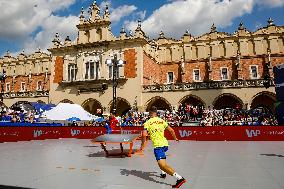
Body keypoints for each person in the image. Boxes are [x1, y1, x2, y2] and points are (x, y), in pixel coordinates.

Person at [140, 106, 186, 188]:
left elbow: (144, 135)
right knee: (160, 160)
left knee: (163, 165)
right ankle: (163, 173)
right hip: (165, 144)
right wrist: (175, 138)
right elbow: (172, 130)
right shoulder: (162, 121)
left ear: (150, 112)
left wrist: (142, 146)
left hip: (158, 146)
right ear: (156, 112)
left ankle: (180, 178)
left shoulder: (147, 122)